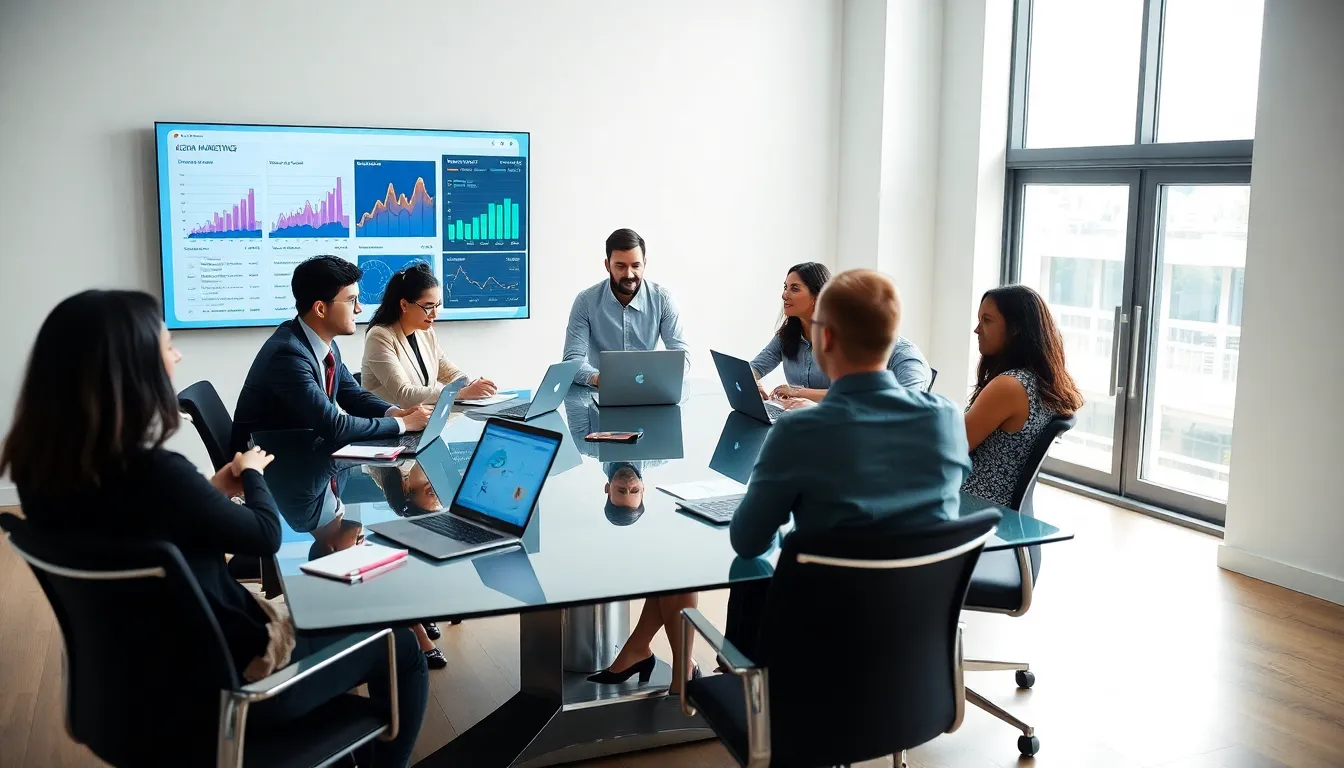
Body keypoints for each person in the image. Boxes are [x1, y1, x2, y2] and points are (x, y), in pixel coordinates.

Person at [0, 290, 427, 766]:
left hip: (140, 692)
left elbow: (138, 519)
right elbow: (265, 535)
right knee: (401, 645)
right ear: (131, 368)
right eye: (167, 344)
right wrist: (252, 473)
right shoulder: (157, 473)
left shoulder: (44, 480)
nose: (177, 355)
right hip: (239, 690)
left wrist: (209, 489)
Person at [725, 270, 972, 658]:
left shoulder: (799, 431)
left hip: (816, 648)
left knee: (750, 569)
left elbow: (748, 541)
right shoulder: (947, 419)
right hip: (915, 647)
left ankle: (739, 680)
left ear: (824, 338)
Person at [232, 255, 432, 453]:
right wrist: (403, 424)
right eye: (351, 301)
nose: (359, 308)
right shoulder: (287, 355)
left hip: (302, 452)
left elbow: (354, 397)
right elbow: (333, 426)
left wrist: (395, 413)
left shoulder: (323, 344)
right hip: (269, 465)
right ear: (320, 309)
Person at [962, 285, 1084, 507]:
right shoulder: (1038, 382)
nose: (977, 330)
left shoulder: (1009, 386)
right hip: (996, 509)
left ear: (1016, 329)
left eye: (987, 320)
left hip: (972, 506)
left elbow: (952, 448)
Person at [750, 262, 934, 403]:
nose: (784, 295)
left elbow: (898, 406)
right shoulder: (838, 344)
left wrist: (802, 396)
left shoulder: (905, 356)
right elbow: (853, 395)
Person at [562, 228, 690, 386]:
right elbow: (572, 361)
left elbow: (682, 356)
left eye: (636, 265)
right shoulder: (585, 302)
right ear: (607, 265)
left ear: (644, 263)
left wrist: (656, 377)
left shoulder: (663, 300)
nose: (629, 274)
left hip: (649, 390)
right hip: (599, 391)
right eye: (620, 266)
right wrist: (600, 379)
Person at [362, 263, 499, 407]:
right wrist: (461, 393)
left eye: (437, 306)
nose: (434, 314)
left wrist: (471, 384)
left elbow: (448, 372)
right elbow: (404, 394)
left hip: (423, 416)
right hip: (390, 419)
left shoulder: (425, 332)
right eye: (428, 307)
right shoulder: (379, 336)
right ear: (404, 305)